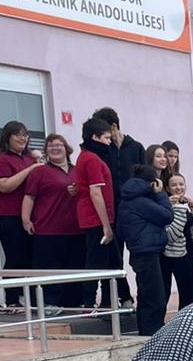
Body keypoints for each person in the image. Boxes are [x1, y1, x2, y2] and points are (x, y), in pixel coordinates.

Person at [22, 134, 85, 312]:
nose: (55, 148)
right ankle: (48, 303)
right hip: (48, 229)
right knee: (49, 268)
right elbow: (29, 197)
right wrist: (26, 219)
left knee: (75, 267)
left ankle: (74, 303)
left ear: (67, 149)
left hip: (76, 229)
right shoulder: (39, 172)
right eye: (50, 146)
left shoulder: (77, 170)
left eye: (58, 145)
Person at [91, 107, 143, 308]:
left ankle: (137, 299)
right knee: (112, 258)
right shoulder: (102, 150)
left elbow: (144, 177)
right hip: (111, 213)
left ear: (113, 126)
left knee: (139, 258)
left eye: (103, 131)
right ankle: (112, 300)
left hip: (134, 213)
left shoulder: (136, 148)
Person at [117, 166, 174, 336]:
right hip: (148, 252)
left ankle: (144, 332)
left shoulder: (126, 200)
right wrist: (161, 194)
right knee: (155, 298)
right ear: (152, 183)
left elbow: (120, 231)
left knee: (145, 295)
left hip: (137, 252)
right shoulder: (142, 202)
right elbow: (167, 216)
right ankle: (152, 335)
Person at [0, 121, 38, 309]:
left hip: (30, 215)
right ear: (7, 137)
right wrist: (30, 170)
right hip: (7, 215)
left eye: (25, 135)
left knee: (30, 258)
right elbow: (4, 186)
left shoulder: (29, 158)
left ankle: (32, 300)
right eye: (18, 135)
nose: (23, 138)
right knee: (15, 258)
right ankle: (12, 300)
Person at [73, 118, 119, 309]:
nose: (109, 142)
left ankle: (105, 302)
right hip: (96, 219)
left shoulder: (85, 157)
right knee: (96, 262)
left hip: (94, 218)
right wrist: (106, 225)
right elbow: (95, 192)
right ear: (95, 137)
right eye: (106, 138)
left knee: (106, 261)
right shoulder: (91, 159)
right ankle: (88, 302)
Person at [160, 174, 193, 310]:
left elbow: (192, 229)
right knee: (163, 292)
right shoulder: (165, 206)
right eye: (174, 185)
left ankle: (186, 320)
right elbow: (172, 235)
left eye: (181, 184)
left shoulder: (183, 205)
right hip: (169, 254)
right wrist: (176, 207)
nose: (178, 187)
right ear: (167, 188)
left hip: (187, 252)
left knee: (189, 292)